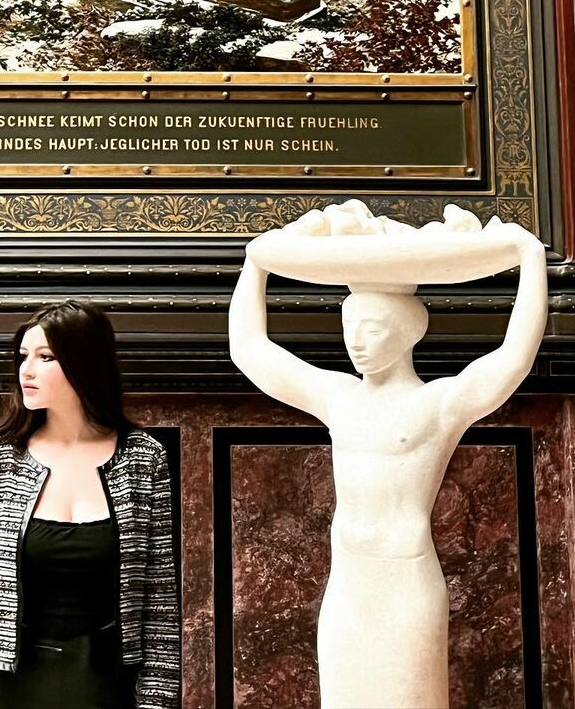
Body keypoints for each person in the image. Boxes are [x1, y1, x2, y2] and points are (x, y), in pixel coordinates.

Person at [230, 219, 548, 709]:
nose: (355, 342)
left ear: (407, 332)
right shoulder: (338, 396)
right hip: (348, 584)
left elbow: (512, 359)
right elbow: (250, 349)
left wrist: (531, 259)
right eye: (348, 328)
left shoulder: (437, 405)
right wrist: (255, 263)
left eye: (372, 329)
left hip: (406, 584)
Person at [0, 300, 180, 709]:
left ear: (84, 364)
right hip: (9, 691)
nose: (26, 370)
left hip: (106, 690)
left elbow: (159, 603)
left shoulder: (143, 458)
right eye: (23, 356)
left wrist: (157, 702)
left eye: (45, 357)